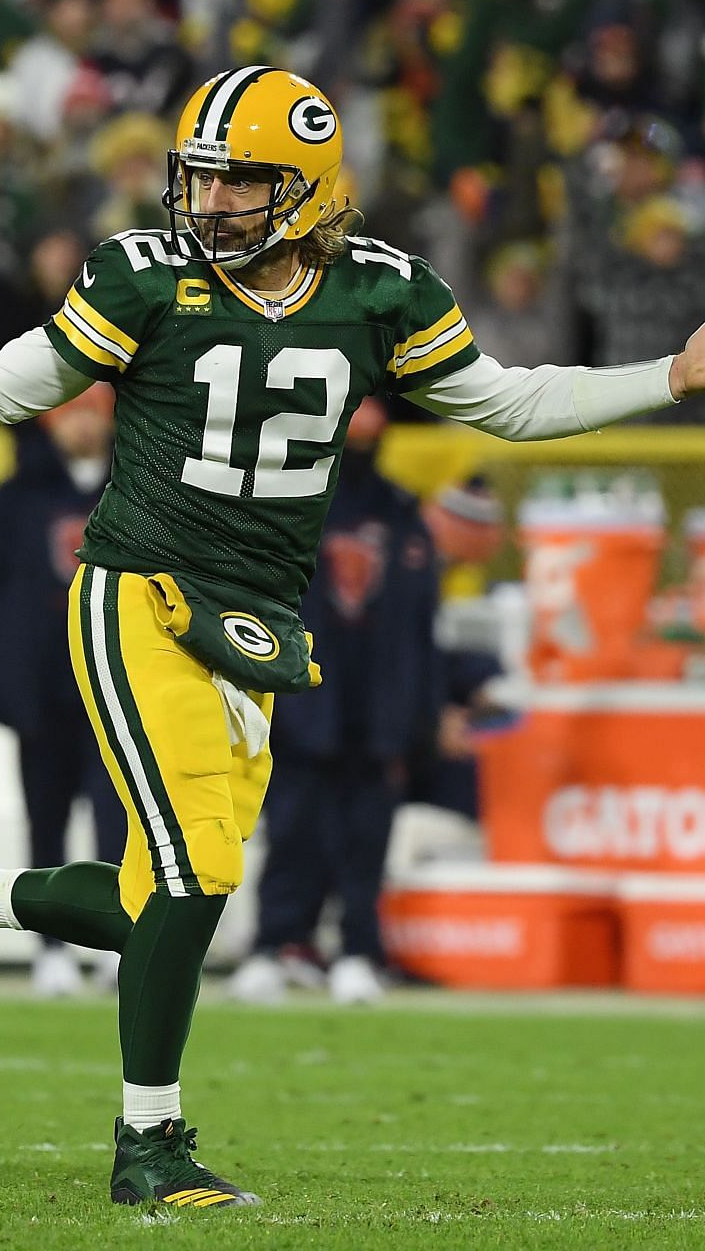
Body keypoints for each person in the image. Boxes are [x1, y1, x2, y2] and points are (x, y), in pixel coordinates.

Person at [0, 66, 705, 1209]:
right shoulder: (140, 276)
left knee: (158, 896)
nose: (212, 204)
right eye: (203, 179)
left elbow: (506, 403)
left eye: (241, 182)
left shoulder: (380, 295)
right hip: (135, 592)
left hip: (257, 618)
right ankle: (149, 1144)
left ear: (312, 190)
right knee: (194, 867)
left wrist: (671, 375)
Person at [225, 396, 441, 1007]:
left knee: (366, 841)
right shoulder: (288, 504)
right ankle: (274, 946)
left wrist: (418, 716)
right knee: (291, 832)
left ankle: (357, 952)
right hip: (302, 702)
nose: (365, 423)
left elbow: (422, 626)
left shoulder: (402, 514)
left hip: (376, 711)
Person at [0, 387, 130, 998]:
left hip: (116, 688)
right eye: (72, 414)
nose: (83, 426)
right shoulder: (11, 500)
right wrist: (9, 686)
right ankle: (50, 946)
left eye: (94, 413)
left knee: (121, 825)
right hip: (42, 694)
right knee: (47, 825)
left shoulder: (139, 489)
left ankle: (116, 939)